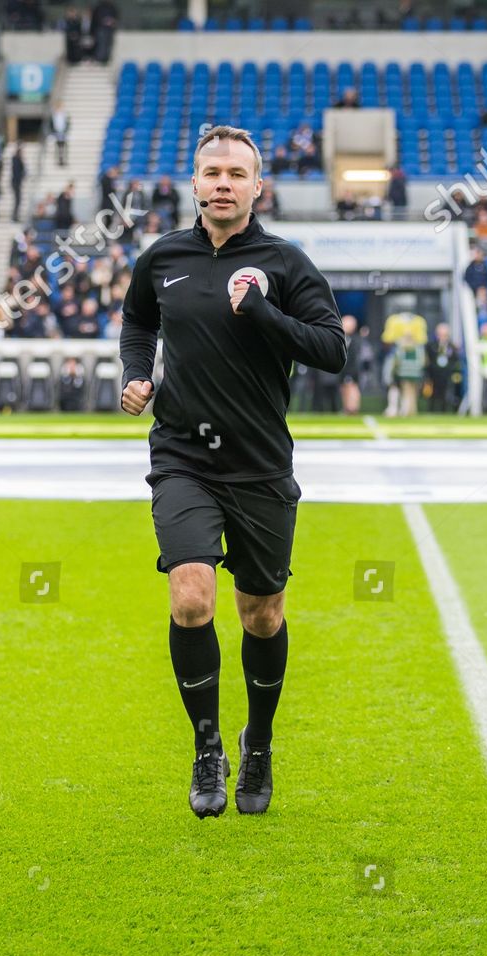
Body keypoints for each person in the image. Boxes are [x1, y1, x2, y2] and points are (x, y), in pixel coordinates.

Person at [119, 125, 346, 819]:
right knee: (191, 599)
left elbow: (330, 350)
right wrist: (135, 375)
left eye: (235, 174)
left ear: (257, 187)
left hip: (260, 465)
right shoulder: (164, 256)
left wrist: (263, 312)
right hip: (183, 455)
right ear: (194, 182)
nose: (223, 183)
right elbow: (137, 322)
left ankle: (260, 744)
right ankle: (207, 745)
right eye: (211, 171)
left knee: (262, 614)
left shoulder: (285, 260)